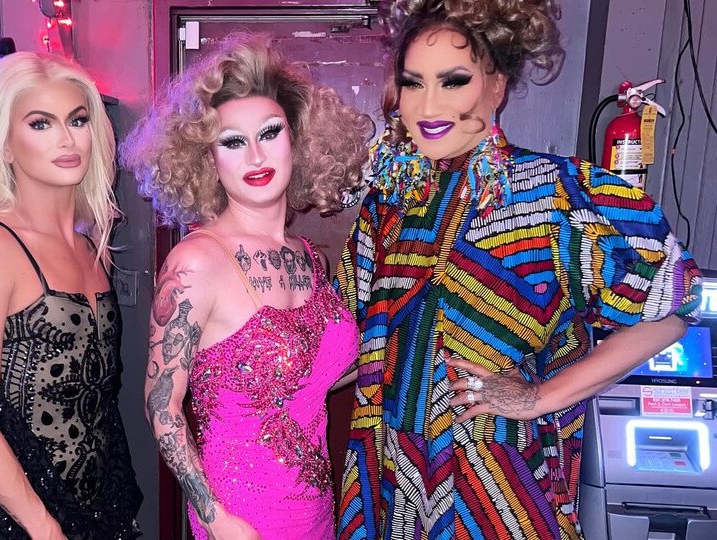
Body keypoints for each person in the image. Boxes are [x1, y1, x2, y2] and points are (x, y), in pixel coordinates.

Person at [333, 1, 703, 539]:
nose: (428, 105)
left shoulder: (556, 196)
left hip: (500, 485)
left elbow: (670, 312)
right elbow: (350, 340)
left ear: (498, 86)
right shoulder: (388, 207)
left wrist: (539, 397)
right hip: (392, 482)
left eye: (453, 81)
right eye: (413, 83)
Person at [122, 34, 371, 539]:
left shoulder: (308, 258)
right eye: (232, 141)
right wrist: (215, 518)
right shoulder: (196, 262)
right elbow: (160, 405)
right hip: (241, 520)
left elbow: (310, 381)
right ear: (207, 159)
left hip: (317, 515)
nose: (255, 155)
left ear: (298, 139)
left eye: (270, 132)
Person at [0, 52, 142, 539]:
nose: (67, 139)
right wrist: (43, 527)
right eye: (41, 123)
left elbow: (100, 398)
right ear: (5, 146)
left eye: (78, 120)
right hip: (20, 512)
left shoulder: (90, 246)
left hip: (101, 501)